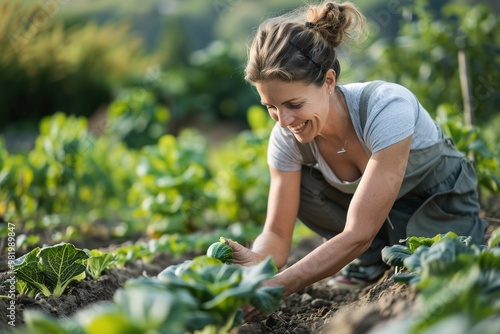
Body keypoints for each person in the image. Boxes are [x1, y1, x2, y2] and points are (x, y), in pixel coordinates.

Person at [224, 0, 488, 310]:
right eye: (270, 107)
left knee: (436, 271)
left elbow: (358, 231)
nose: (283, 121)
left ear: (329, 81)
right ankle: (373, 259)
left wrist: (280, 285)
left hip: (435, 205)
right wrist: (258, 263)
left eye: (293, 105)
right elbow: (277, 233)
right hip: (373, 225)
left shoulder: (386, 107)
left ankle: (384, 251)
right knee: (304, 183)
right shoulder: (286, 137)